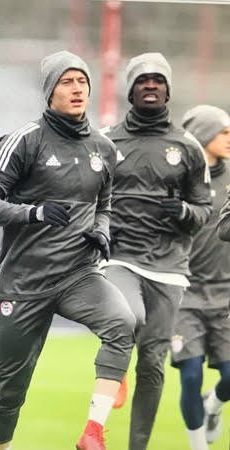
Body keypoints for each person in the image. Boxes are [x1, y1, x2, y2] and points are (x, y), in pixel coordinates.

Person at [0, 50, 136, 450]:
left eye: (82, 81)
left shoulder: (102, 147)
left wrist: (101, 230)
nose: (77, 89)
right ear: (49, 91)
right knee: (9, 394)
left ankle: (93, 433)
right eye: (67, 81)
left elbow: (104, 204)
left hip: (78, 275)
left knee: (122, 323)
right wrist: (33, 213)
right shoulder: (25, 140)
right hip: (25, 282)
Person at [100, 53, 212, 450]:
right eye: (142, 80)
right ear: (130, 90)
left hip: (168, 267)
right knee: (126, 317)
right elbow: (86, 195)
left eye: (158, 80)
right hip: (119, 257)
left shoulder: (188, 147)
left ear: (167, 90)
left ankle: (137, 446)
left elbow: (203, 210)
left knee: (152, 363)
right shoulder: (105, 141)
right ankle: (114, 363)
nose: (151, 85)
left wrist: (183, 211)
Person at [169, 105, 230, 450]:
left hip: (227, 293)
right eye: (224, 131)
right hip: (185, 293)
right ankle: (197, 446)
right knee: (190, 374)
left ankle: (214, 404)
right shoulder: (178, 178)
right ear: (204, 135)